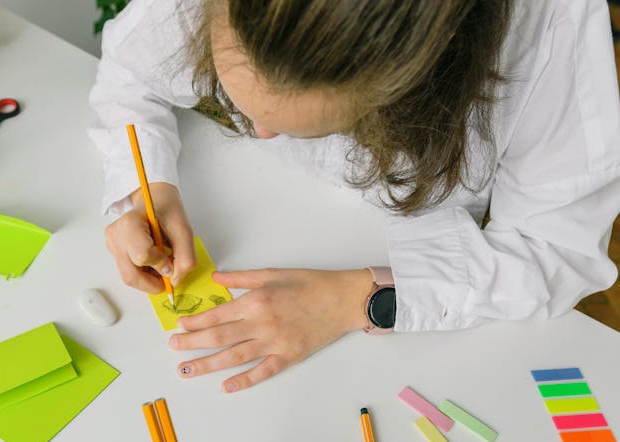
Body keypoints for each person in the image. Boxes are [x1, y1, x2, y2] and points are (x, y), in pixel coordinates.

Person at [89, 0, 620, 393]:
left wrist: (357, 299)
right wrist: (148, 186)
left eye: (306, 124)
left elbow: (558, 251)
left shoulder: (551, 23)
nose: (259, 130)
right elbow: (131, 72)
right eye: (239, 97)